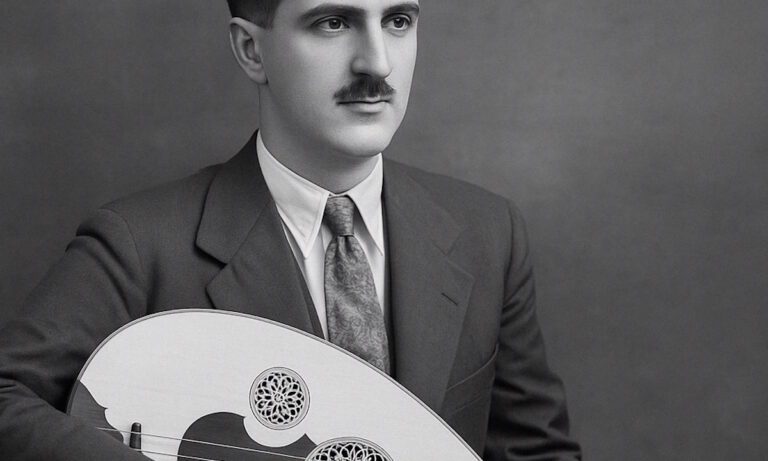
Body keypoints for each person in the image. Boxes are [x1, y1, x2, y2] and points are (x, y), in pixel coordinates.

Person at [0, 0, 582, 459]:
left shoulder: (489, 231)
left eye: (398, 21)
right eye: (333, 23)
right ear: (251, 49)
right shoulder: (139, 243)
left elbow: (536, 452)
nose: (377, 63)